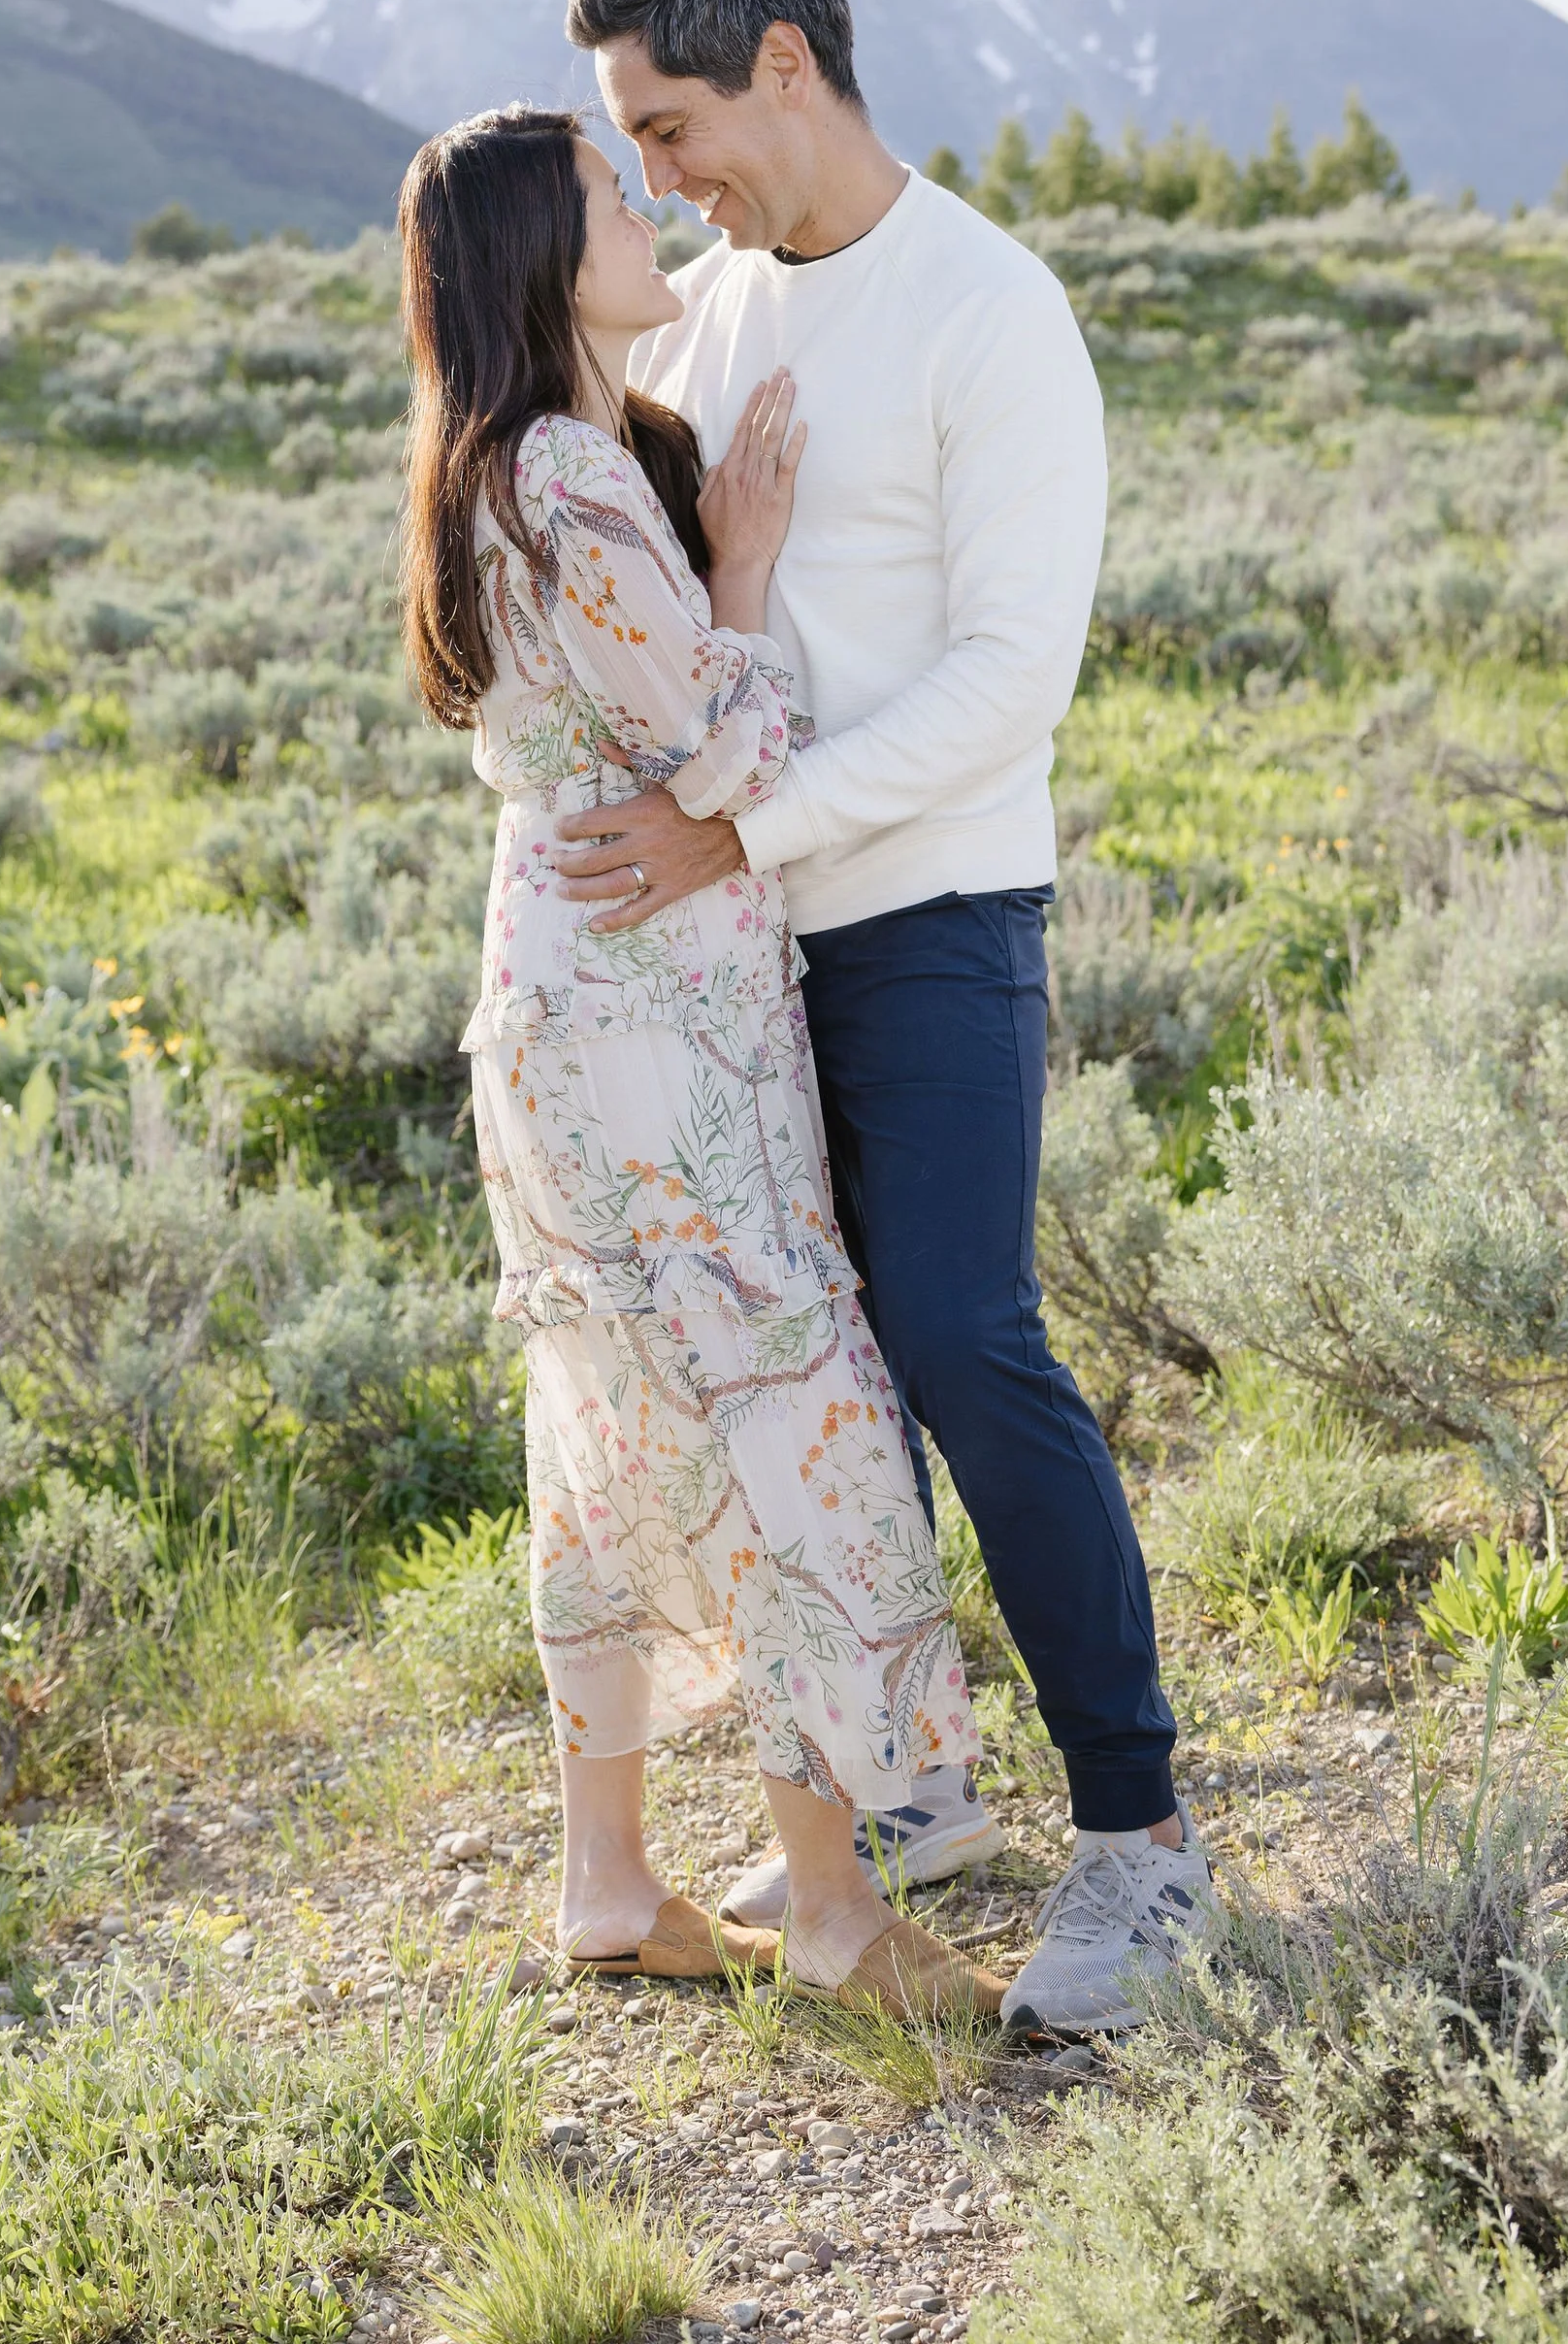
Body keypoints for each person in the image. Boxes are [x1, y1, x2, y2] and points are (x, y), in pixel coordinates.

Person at [549, 0, 1221, 2035]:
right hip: (723, 961)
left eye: (670, 121)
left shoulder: (986, 310)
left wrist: (747, 819)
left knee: (954, 1336)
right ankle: (896, 1802)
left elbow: (1013, 680)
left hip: (926, 918)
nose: (661, 171)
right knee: (804, 1387)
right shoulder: (699, 314)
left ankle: (1142, 1841)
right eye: (626, 145)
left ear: (779, 65)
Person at [396, 102, 1003, 2018]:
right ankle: (834, 1911)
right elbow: (733, 750)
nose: (646, 200)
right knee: (789, 1416)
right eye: (603, 190)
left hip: (566, 1005)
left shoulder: (503, 467)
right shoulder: (568, 475)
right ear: (531, 256)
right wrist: (741, 561)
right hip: (654, 1023)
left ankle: (607, 1881)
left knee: (607, 1427)